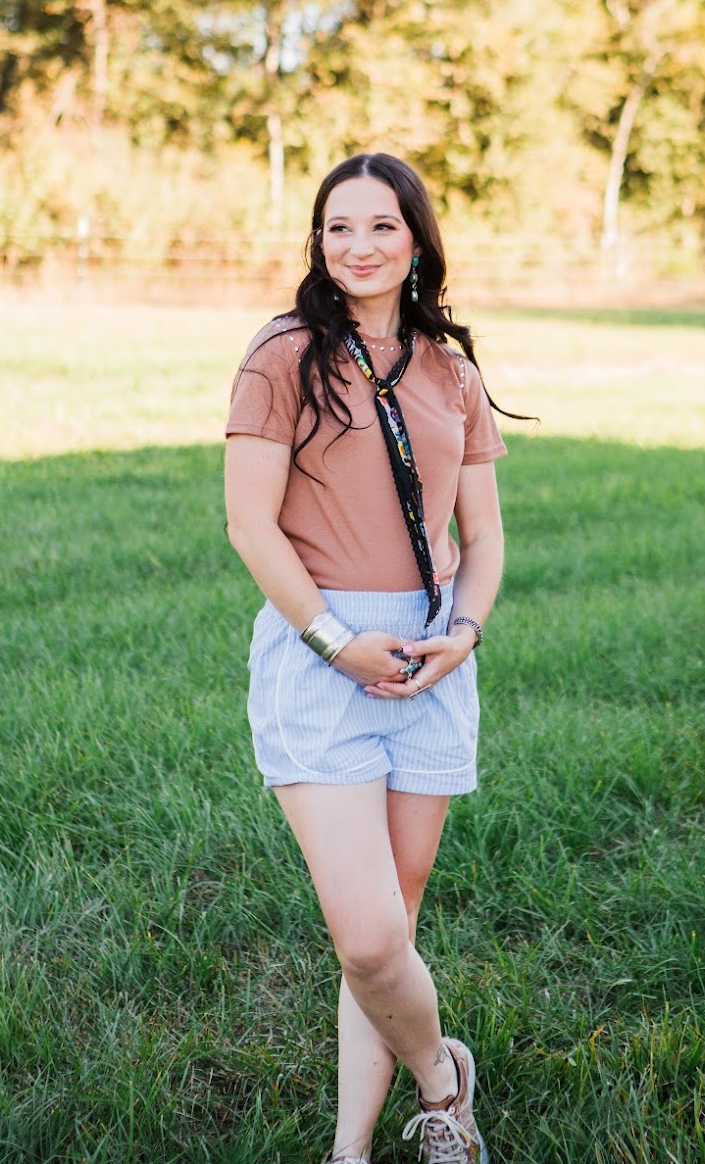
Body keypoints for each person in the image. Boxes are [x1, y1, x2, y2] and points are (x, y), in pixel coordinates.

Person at [224, 153, 508, 1164]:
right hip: (321, 652)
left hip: (429, 657)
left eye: (380, 226)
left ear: (416, 239)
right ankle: (444, 1076)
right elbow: (250, 526)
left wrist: (460, 637)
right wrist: (337, 643)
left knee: (395, 927)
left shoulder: (449, 368)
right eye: (336, 227)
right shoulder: (282, 354)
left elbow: (483, 539)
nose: (357, 245)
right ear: (317, 241)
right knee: (369, 936)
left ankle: (352, 1149)